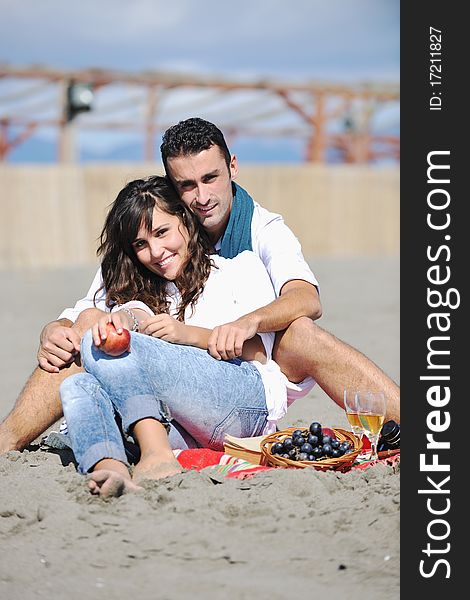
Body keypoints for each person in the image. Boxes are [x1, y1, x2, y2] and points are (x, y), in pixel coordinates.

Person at [0, 118, 399, 455]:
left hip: (255, 374)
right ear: (173, 191)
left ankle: (409, 422)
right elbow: (90, 309)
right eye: (187, 185)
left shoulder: (256, 235)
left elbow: (306, 299)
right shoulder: (145, 246)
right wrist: (55, 329)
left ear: (233, 168)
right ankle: (8, 442)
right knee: (83, 335)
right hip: (181, 387)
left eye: (211, 178)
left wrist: (247, 321)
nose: (202, 196)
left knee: (300, 333)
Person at [60, 175, 288, 497]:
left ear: (185, 219)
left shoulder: (238, 269)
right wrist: (123, 321)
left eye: (161, 232)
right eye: (140, 244)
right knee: (77, 384)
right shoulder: (148, 290)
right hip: (185, 423)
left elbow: (260, 353)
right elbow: (132, 314)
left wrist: (187, 334)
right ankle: (109, 466)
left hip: (246, 404)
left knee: (99, 346)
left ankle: (156, 454)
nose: (155, 251)